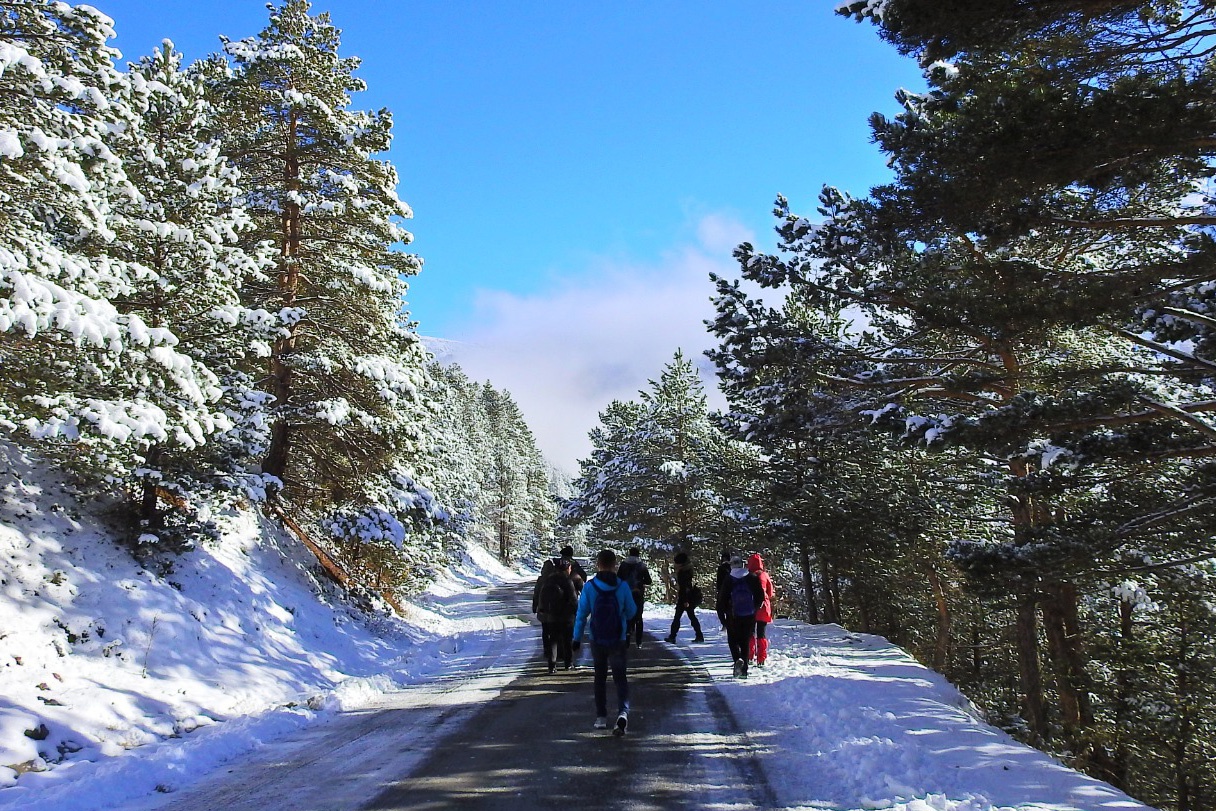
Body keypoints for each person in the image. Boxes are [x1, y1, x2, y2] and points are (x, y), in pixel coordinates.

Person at [573, 548, 637, 734]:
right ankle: (623, 712)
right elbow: (632, 611)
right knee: (620, 678)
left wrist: (576, 638)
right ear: (614, 565)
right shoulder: (622, 586)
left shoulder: (590, 587)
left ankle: (601, 717)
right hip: (617, 638)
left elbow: (581, 615)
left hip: (597, 639)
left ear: (598, 564)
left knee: (599, 678)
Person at [533, 546, 587, 656]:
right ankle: (564, 653)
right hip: (569, 602)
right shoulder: (574, 566)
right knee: (566, 628)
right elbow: (583, 579)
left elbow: (541, 587)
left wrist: (536, 604)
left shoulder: (555, 566)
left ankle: (549, 652)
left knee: (549, 628)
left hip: (549, 603)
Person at [718, 553, 764, 678]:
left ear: (732, 565)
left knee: (732, 640)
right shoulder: (752, 577)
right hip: (749, 614)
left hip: (733, 615)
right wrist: (754, 609)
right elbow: (760, 596)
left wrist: (723, 619)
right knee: (745, 642)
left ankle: (737, 659)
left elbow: (721, 600)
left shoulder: (729, 579)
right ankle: (744, 671)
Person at [538, 558, 579, 673]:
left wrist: (544, 611)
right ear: (566, 568)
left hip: (551, 616)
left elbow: (542, 597)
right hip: (566, 617)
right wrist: (574, 612)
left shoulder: (549, 580)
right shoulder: (567, 580)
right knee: (567, 640)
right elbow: (573, 600)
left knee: (553, 641)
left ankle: (552, 666)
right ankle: (568, 663)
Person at [615, 547, 653, 648]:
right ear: (638, 554)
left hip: (626, 593)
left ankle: (626, 638)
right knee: (639, 617)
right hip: (638, 593)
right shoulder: (642, 565)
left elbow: (618, 579)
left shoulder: (623, 565)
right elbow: (649, 581)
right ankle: (639, 641)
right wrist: (641, 582)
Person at [664, 551, 704, 644]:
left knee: (678, 617)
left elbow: (684, 587)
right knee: (691, 617)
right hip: (688, 597)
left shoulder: (683, 572)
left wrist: (685, 600)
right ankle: (699, 635)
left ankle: (673, 636)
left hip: (685, 598)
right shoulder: (688, 570)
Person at [746, 553, 776, 667]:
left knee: (750, 633)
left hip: (750, 607)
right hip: (763, 608)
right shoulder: (764, 575)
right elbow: (770, 592)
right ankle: (761, 658)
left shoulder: (748, 576)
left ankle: (749, 656)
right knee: (761, 634)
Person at [714, 549, 732, 628]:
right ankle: (727, 624)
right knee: (728, 609)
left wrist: (718, 590)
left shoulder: (721, 568)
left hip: (722, 591)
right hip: (730, 591)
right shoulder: (732, 567)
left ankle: (725, 624)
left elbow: (718, 581)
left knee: (720, 609)